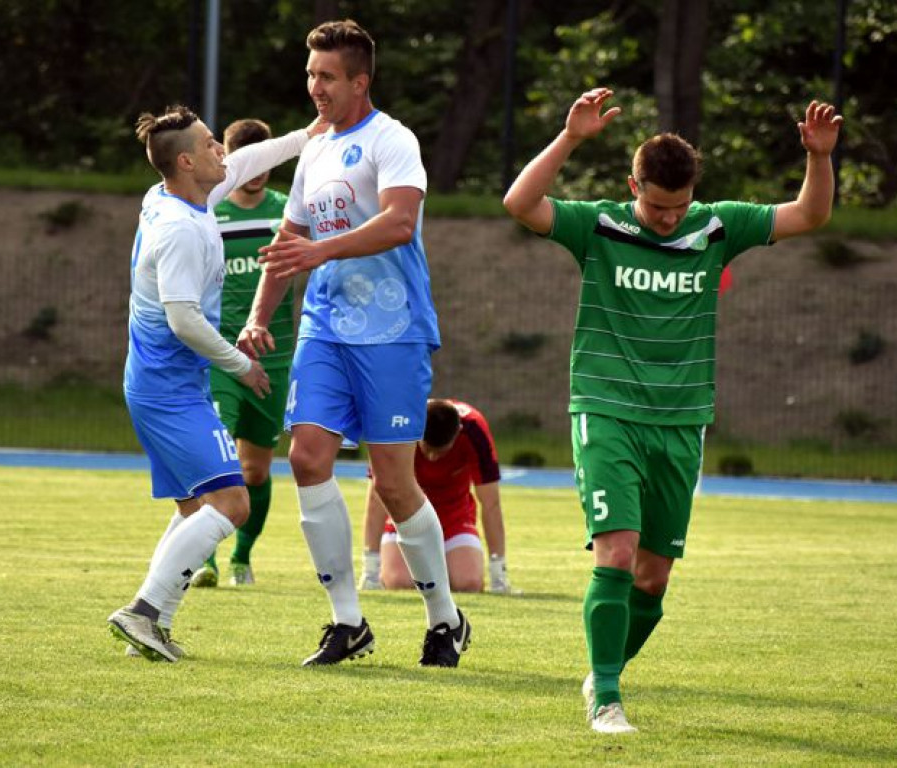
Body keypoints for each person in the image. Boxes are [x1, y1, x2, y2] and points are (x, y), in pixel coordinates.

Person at [503, 88, 841, 733]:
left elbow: (810, 215)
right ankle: (606, 698)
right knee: (616, 554)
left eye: (678, 207)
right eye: (657, 206)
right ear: (633, 186)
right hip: (606, 409)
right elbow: (520, 204)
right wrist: (570, 138)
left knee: (653, 581)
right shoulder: (600, 226)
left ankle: (605, 668)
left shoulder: (716, 227)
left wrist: (819, 157)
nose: (667, 219)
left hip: (682, 419)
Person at [239, 19, 471, 668]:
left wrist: (322, 250)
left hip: (392, 332)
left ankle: (445, 618)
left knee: (394, 482)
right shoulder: (314, 149)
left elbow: (399, 223)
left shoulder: (393, 139)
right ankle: (347, 621)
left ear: (360, 81)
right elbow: (289, 244)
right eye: (310, 74)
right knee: (307, 457)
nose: (315, 87)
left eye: (328, 76)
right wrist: (258, 316)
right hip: (325, 328)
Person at [107, 105, 325, 662]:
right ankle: (142, 613)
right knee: (232, 502)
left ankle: (152, 626)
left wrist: (308, 135)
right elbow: (182, 318)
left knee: (193, 510)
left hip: (162, 384)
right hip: (169, 391)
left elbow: (250, 158)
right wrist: (240, 365)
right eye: (210, 144)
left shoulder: (178, 195)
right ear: (186, 161)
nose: (222, 151)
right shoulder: (180, 229)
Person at [188, 118, 295, 589]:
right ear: (228, 159)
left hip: (275, 354)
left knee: (255, 469)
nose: (258, 170)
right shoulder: (209, 211)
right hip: (220, 353)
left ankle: (241, 558)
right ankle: (204, 560)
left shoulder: (287, 210)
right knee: (215, 458)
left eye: (265, 159)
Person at [359, 398, 516, 594]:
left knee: (468, 583)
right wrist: (371, 569)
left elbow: (491, 503)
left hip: (454, 518)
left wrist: (498, 575)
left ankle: (448, 564)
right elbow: (376, 498)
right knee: (399, 581)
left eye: (440, 452)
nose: (432, 458)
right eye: (427, 449)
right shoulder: (397, 429)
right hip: (405, 517)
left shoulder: (474, 431)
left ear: (458, 433)